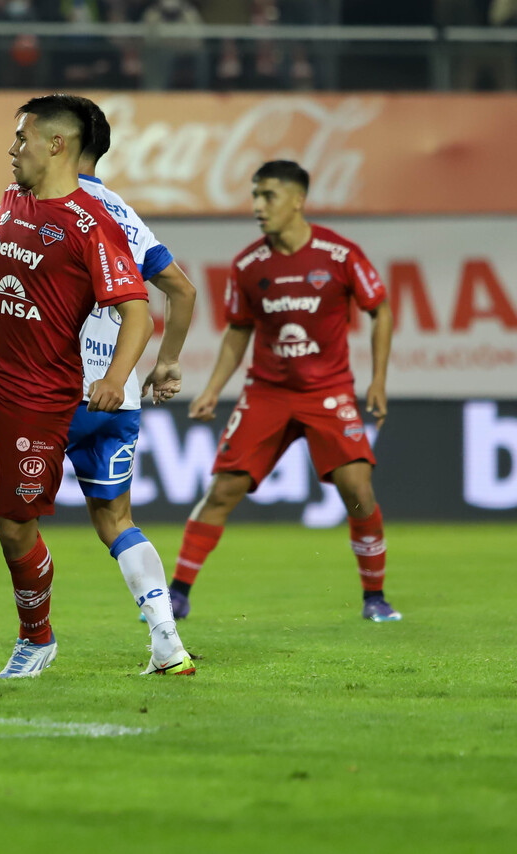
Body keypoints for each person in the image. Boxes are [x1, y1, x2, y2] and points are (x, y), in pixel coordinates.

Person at [0, 96, 197, 677]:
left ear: (63, 145)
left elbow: (107, 296)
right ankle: (167, 643)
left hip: (52, 385)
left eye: (24, 137)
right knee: (116, 521)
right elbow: (179, 288)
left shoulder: (77, 211)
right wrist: (166, 364)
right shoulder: (120, 213)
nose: (15, 149)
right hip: (112, 399)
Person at [169, 160, 398, 622]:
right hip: (267, 393)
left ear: (298, 200)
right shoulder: (249, 265)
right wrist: (213, 388)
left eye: (268, 196)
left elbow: (381, 309)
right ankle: (176, 594)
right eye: (254, 196)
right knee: (222, 490)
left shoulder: (340, 255)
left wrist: (377, 380)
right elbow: (238, 331)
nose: (257, 206)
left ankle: (375, 598)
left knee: (358, 489)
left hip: (327, 392)